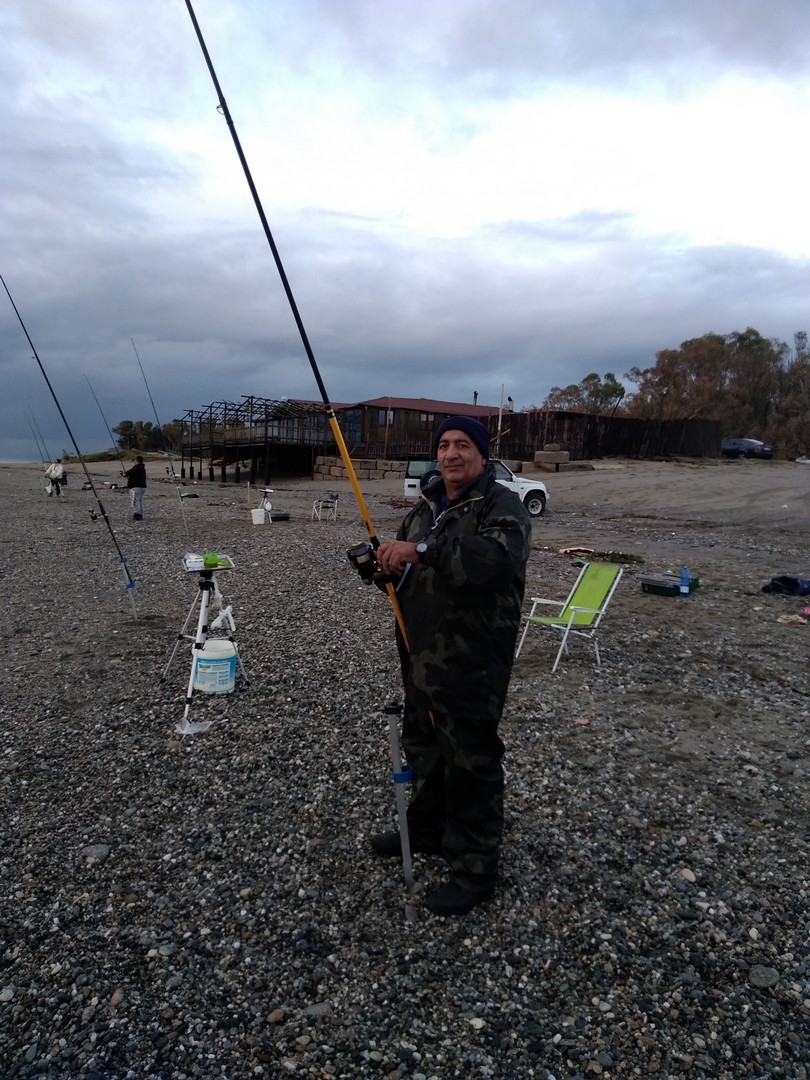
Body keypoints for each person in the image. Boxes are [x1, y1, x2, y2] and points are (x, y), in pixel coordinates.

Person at [373, 416, 532, 916]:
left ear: (483, 455)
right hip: (420, 651)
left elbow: (491, 561)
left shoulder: (500, 505)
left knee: (470, 762)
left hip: (472, 660)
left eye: (463, 445)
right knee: (424, 746)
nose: (451, 454)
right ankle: (427, 829)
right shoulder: (425, 507)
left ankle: (474, 870)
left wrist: (420, 552)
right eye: (444, 445)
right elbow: (408, 568)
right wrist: (384, 568)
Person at [125, 455, 147, 520]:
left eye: (135, 460)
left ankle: (137, 514)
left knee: (136, 501)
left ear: (137, 460)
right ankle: (141, 513)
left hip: (136, 487)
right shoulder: (142, 468)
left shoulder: (136, 467)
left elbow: (128, 472)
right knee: (140, 500)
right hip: (143, 487)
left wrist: (125, 474)